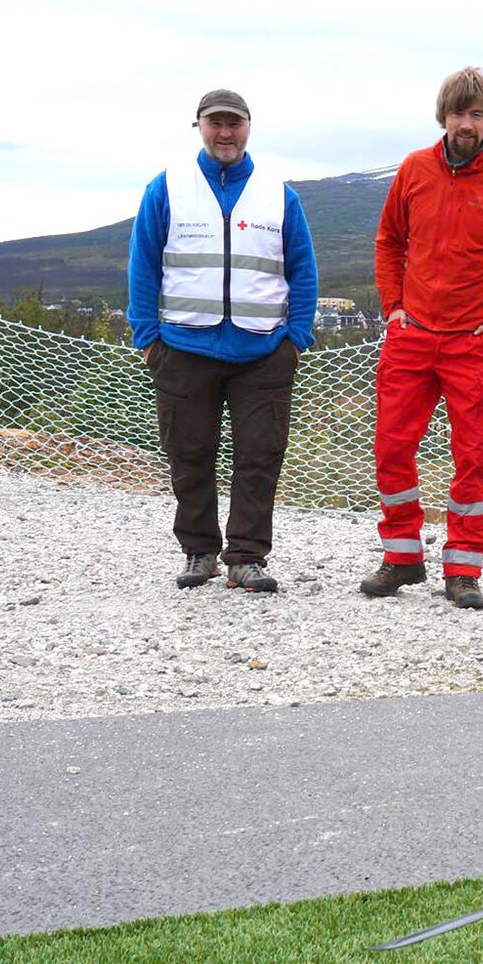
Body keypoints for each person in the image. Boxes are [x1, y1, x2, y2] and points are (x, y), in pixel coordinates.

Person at [360, 66, 483, 607]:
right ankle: (401, 558)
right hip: (412, 336)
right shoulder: (414, 170)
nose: (466, 123)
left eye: (476, 114)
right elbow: (388, 241)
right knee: (392, 448)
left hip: (474, 345)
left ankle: (463, 569)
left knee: (472, 458)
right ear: (443, 115)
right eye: (458, 112)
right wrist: (394, 307)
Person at [128, 89, 317, 592]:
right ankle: (199, 551)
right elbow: (143, 266)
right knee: (189, 455)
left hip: (262, 352)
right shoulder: (166, 187)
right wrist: (148, 338)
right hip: (184, 350)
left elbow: (304, 271)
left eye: (234, 123)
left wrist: (295, 339)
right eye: (216, 123)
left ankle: (247, 558)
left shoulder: (280, 194)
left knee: (259, 456)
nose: (225, 133)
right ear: (199, 127)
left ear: (249, 128)